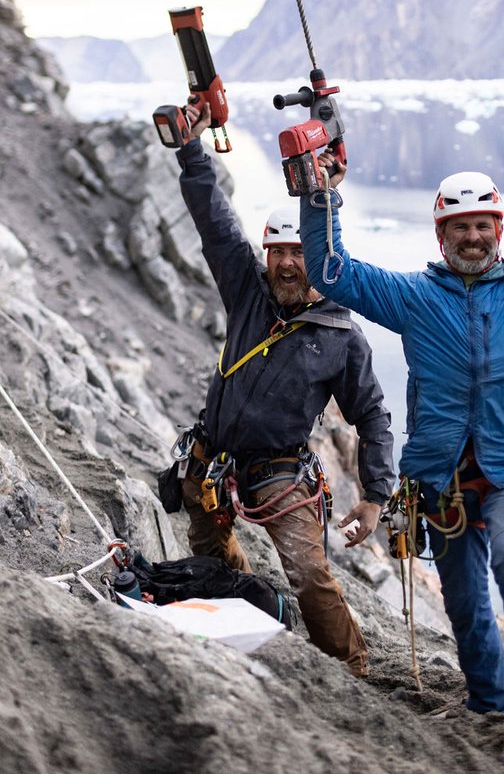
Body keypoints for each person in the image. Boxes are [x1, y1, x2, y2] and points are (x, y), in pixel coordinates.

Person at [299, 154, 504, 762]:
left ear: (500, 229)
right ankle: (489, 700)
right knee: (463, 599)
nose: (474, 236)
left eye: (484, 225)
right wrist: (322, 197)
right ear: (441, 234)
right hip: (440, 478)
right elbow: (330, 270)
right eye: (461, 227)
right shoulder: (412, 297)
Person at [174, 100, 394, 677]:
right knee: (207, 547)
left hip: (279, 468)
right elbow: (214, 221)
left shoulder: (341, 333)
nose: (290, 265)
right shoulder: (248, 289)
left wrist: (374, 497)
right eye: (280, 254)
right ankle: (235, 610)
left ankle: (351, 668)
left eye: (300, 253)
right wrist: (191, 149)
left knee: (308, 571)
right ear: (266, 256)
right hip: (213, 458)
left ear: (318, 259)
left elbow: (371, 417)